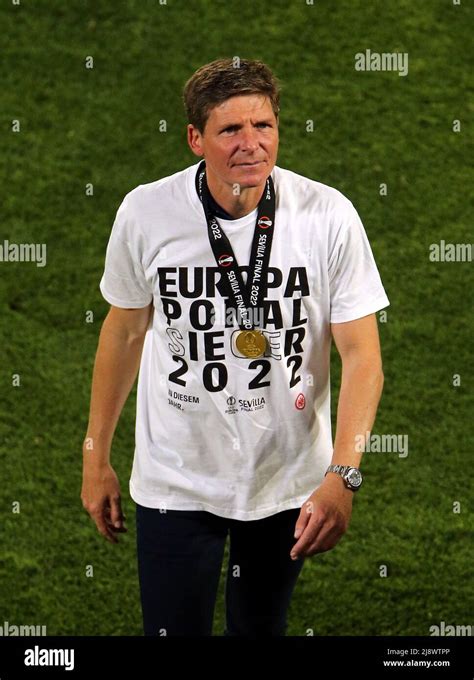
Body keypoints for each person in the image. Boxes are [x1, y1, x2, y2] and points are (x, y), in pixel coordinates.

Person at [81, 57, 390, 637]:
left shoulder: (329, 216)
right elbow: (123, 332)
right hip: (176, 477)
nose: (252, 144)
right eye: (230, 130)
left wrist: (342, 475)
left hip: (287, 478)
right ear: (196, 139)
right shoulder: (146, 213)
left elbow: (363, 357)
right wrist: (95, 455)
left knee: (260, 630)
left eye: (264, 126)